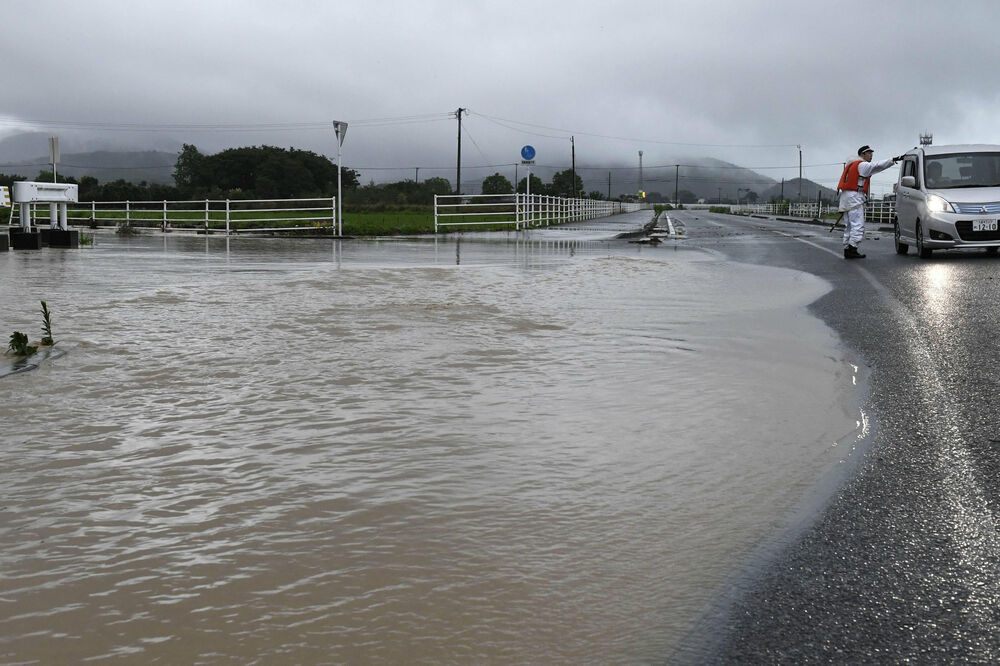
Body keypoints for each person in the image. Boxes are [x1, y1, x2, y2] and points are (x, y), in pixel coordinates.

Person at [837, 145, 901, 259]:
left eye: (871, 153)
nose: (871, 155)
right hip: (854, 197)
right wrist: (892, 160)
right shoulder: (862, 165)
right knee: (858, 224)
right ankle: (852, 248)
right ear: (862, 154)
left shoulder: (852, 165)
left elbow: (874, 168)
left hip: (846, 197)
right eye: (869, 153)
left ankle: (847, 248)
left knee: (849, 226)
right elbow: (877, 166)